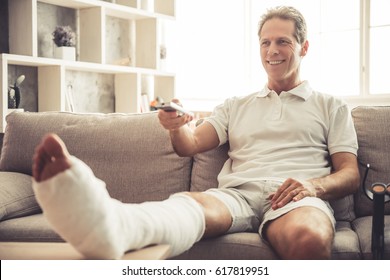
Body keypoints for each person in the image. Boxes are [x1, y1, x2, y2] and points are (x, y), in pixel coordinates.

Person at [32, 6, 360, 260]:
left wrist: (313, 186)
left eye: (282, 41)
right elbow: (190, 146)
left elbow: (350, 174)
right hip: (237, 196)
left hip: (296, 198)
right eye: (265, 42)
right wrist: (176, 128)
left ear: (303, 47)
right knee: (185, 208)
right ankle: (113, 228)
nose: (272, 50)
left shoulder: (331, 105)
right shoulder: (236, 105)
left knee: (310, 239)